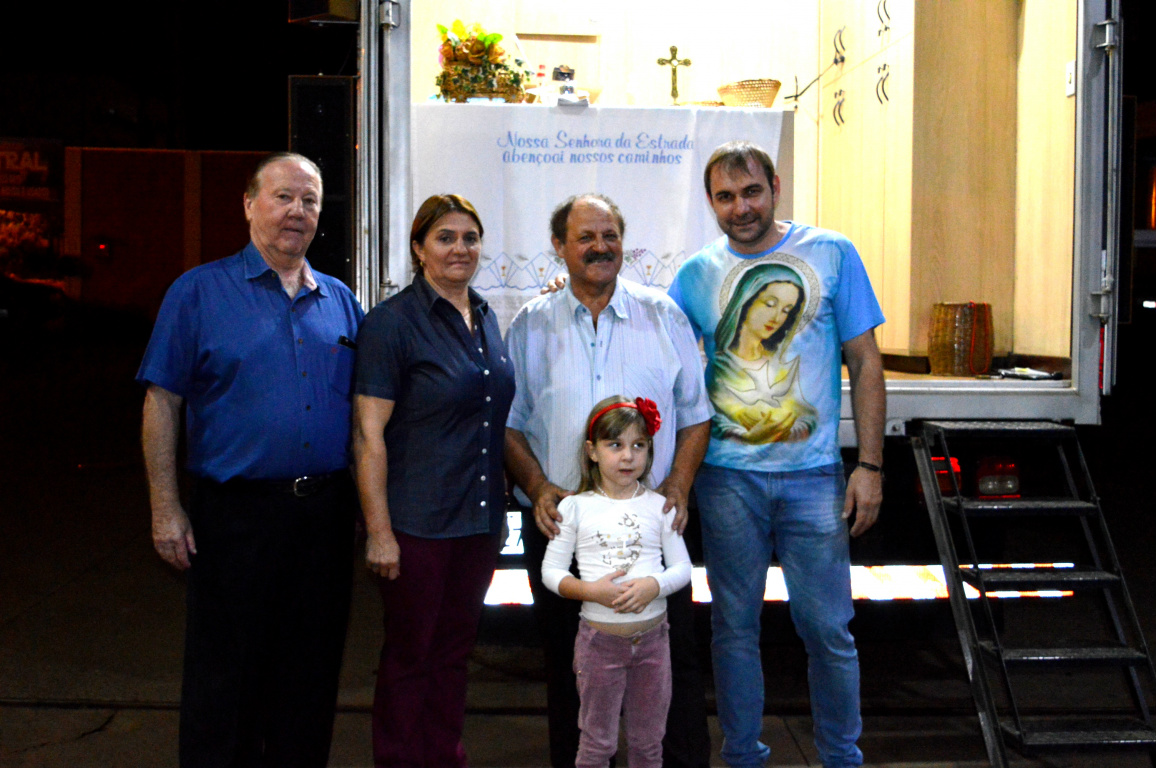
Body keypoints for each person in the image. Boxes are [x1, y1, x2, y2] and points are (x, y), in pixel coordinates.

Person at [138, 152, 364, 768]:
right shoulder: (199, 292)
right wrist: (166, 507)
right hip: (233, 519)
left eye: (310, 200)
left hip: (323, 517)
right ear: (248, 204)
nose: (298, 211)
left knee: (310, 677)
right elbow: (163, 402)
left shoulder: (342, 301)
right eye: (283, 196)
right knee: (224, 678)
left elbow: (371, 418)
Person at [669, 140, 886, 768]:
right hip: (727, 480)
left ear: (776, 186)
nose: (741, 207)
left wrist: (869, 466)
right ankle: (743, 756)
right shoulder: (696, 275)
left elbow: (866, 363)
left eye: (752, 192)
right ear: (711, 202)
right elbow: (658, 346)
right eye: (726, 197)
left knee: (827, 630)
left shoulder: (832, 253)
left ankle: (842, 757)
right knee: (733, 630)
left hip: (814, 478)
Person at [504, 193, 714, 768]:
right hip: (562, 525)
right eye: (585, 237)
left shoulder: (663, 315)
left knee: (672, 667)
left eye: (610, 236)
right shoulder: (529, 324)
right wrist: (538, 483)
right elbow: (509, 425)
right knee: (567, 668)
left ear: (624, 243)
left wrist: (678, 484)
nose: (600, 247)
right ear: (559, 248)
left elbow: (696, 415)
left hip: (652, 528)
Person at [352, 194, 515, 768]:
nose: (460, 248)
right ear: (419, 248)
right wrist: (379, 532)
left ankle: (445, 756)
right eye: (445, 237)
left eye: (470, 237)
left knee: (453, 654)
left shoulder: (488, 316)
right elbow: (369, 436)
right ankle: (398, 759)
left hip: (478, 522)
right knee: (409, 656)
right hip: (416, 526)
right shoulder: (392, 324)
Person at [541, 396, 692, 768]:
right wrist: (590, 591)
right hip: (598, 646)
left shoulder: (660, 506)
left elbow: (683, 569)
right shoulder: (574, 508)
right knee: (596, 743)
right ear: (592, 452)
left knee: (648, 743)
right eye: (616, 445)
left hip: (654, 643)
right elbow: (552, 572)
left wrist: (653, 586)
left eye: (639, 445)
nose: (628, 456)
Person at [709, 262, 817, 444]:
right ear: (746, 301)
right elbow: (708, 419)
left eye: (786, 310)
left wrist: (786, 432)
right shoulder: (719, 368)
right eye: (769, 304)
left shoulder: (779, 366)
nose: (777, 318)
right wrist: (745, 436)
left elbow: (808, 415)